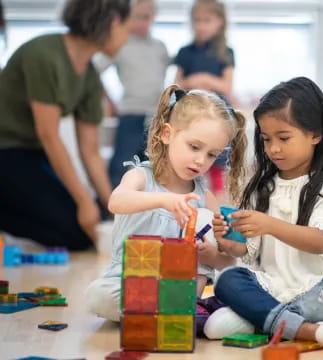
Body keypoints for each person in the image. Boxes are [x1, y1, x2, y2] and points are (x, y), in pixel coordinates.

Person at [208, 77, 323, 349]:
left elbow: (321, 242)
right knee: (228, 279)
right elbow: (245, 250)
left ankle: (263, 319)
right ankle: (311, 331)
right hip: (272, 288)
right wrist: (227, 242)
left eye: (283, 138)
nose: (273, 149)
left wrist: (269, 224)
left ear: (315, 135)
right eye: (266, 139)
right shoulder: (262, 187)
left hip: (318, 290)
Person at [85, 84, 247, 322]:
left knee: (203, 215)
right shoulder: (140, 176)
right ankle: (164, 312)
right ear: (167, 134)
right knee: (96, 296)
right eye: (194, 147)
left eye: (212, 154)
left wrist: (211, 255)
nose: (201, 160)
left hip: (179, 288)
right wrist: (165, 200)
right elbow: (116, 202)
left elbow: (228, 262)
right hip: (129, 282)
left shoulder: (203, 197)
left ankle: (173, 309)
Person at [0, 0, 131, 250]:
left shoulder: (91, 76)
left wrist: (113, 207)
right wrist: (83, 202)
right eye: (127, 27)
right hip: (6, 152)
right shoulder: (43, 54)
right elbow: (48, 135)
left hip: (33, 154)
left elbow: (90, 152)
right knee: (77, 229)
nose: (127, 37)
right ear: (114, 22)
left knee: (94, 221)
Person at [95, 0, 170, 189]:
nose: (141, 23)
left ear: (153, 17)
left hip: (156, 116)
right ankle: (110, 207)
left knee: (154, 165)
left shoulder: (160, 47)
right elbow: (94, 70)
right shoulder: (120, 43)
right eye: (136, 17)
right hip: (130, 113)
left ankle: (148, 208)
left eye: (146, 17)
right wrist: (109, 101)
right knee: (122, 162)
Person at [174, 0, 234, 198]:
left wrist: (205, 79)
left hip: (216, 115)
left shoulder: (225, 52)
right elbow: (177, 84)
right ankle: (188, 198)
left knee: (215, 159)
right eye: (197, 20)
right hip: (192, 115)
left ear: (220, 22)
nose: (201, 26)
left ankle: (215, 204)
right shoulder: (185, 52)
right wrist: (192, 82)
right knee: (191, 155)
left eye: (207, 20)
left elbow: (226, 86)